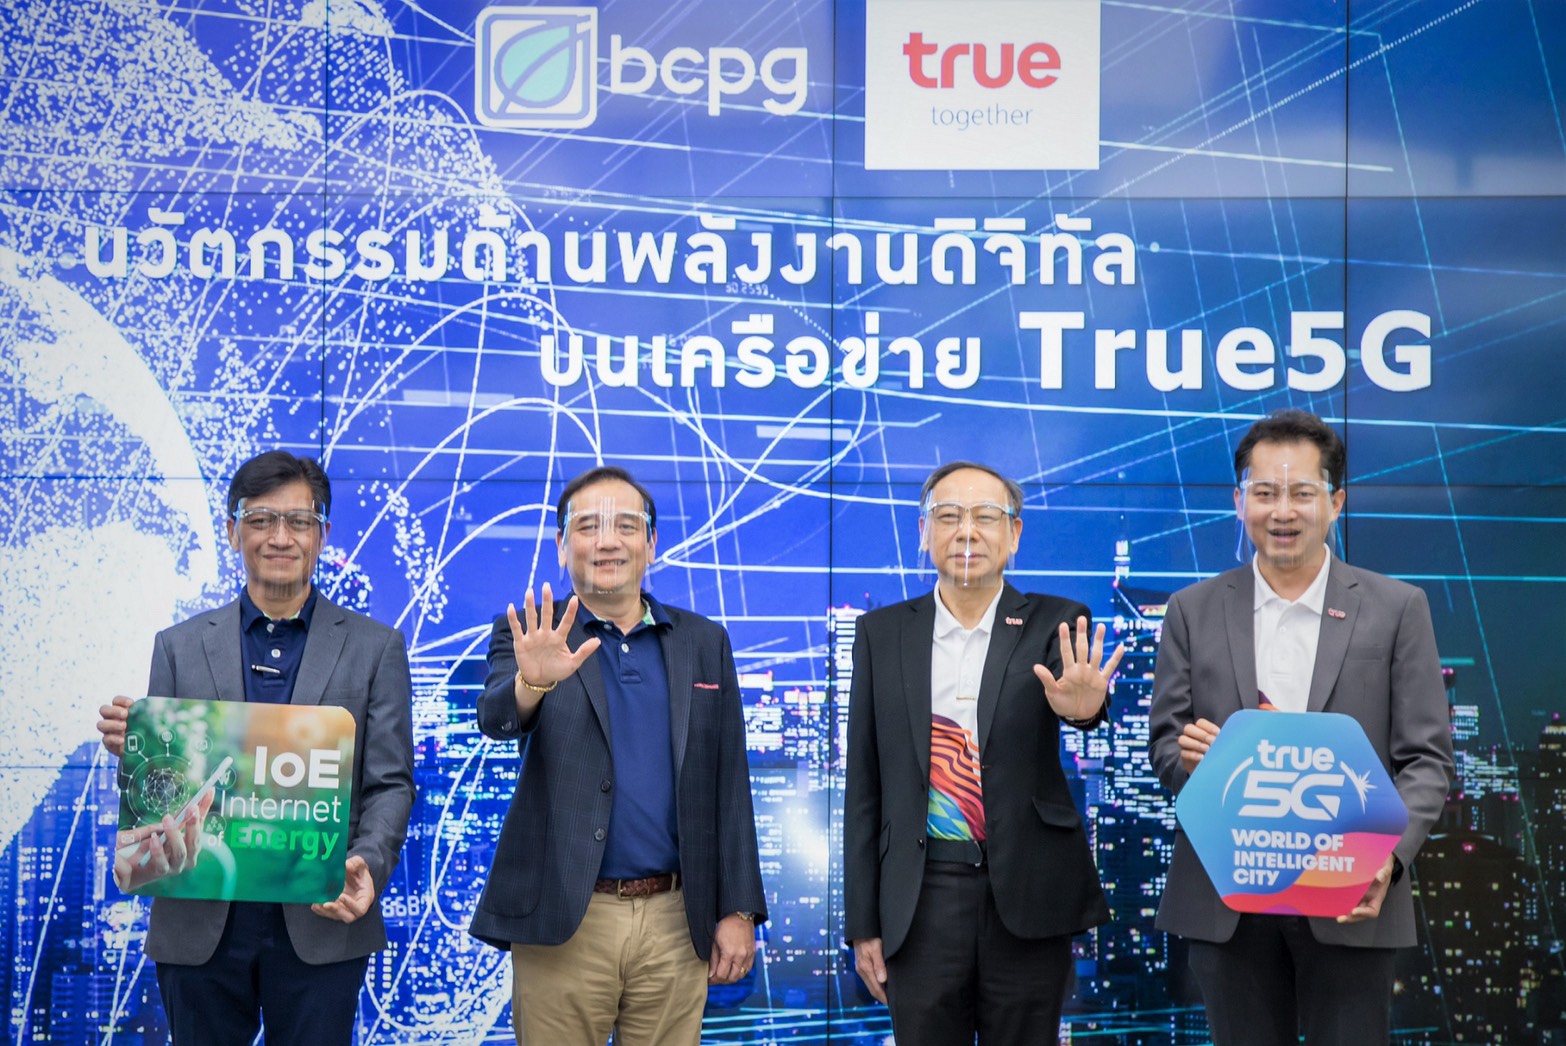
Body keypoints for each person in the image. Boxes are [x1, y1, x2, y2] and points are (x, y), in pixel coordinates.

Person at [1149, 409, 1454, 1045]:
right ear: (1240, 502)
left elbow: (1427, 759)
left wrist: (1384, 859)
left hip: (1350, 891)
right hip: (1228, 896)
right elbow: (1166, 747)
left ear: (1336, 501)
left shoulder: (1398, 608)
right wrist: (1196, 763)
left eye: (1302, 493)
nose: (1282, 511)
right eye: (1264, 493)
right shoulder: (1192, 610)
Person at [95, 450, 416, 1046]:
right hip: (201, 917)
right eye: (261, 519)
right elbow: (160, 787)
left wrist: (368, 864)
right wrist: (135, 753)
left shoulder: (376, 648)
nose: (280, 537)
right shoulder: (178, 646)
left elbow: (390, 784)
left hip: (321, 917)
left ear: (322, 534)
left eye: (299, 521)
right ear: (232, 530)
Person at [469, 465, 768, 1046]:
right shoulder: (531, 632)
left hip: (677, 919)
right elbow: (496, 718)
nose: (608, 542)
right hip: (565, 916)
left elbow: (730, 781)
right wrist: (534, 681)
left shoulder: (704, 642)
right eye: (588, 527)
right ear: (562, 546)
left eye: (626, 527)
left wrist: (739, 910)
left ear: (651, 543)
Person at [843, 460, 1123, 1045]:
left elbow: (1080, 704)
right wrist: (862, 924)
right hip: (920, 895)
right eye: (948, 516)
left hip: (1026, 891)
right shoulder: (881, 633)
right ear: (923, 532)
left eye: (986, 517)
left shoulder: (1057, 622)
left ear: (1014, 534)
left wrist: (1083, 709)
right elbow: (864, 785)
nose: (966, 531)